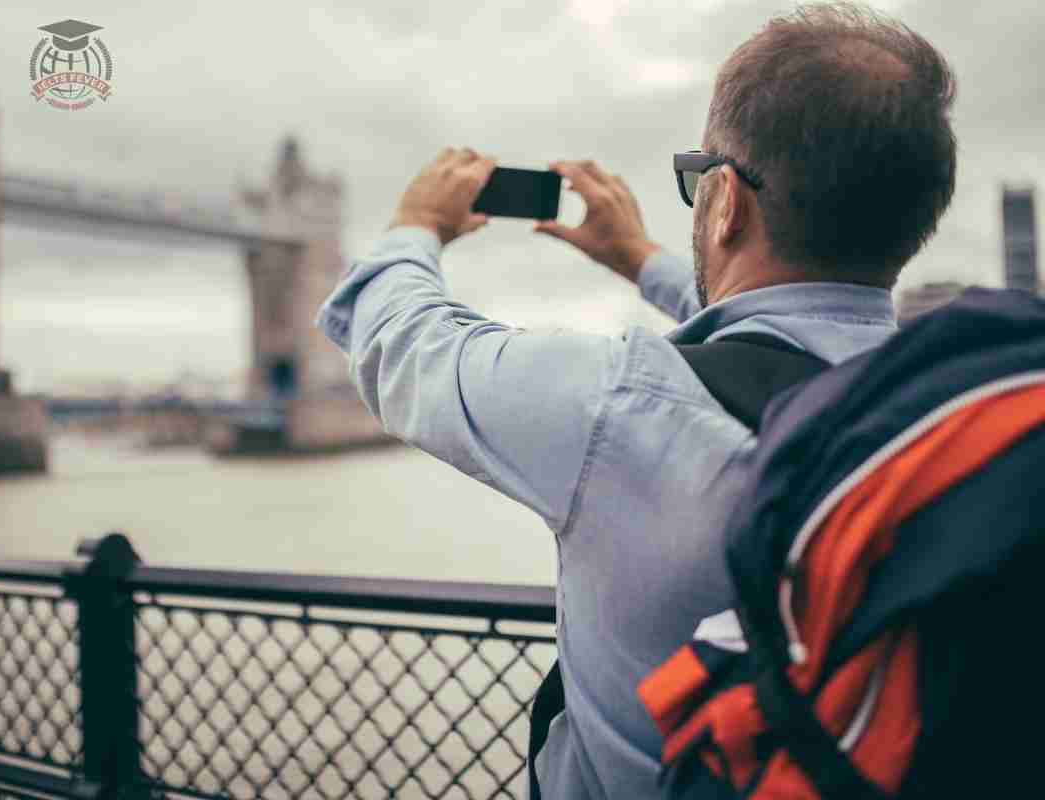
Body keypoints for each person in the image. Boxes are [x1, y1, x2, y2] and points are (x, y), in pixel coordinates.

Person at [313, 3, 956, 797]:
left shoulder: (615, 406)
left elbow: (408, 347)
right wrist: (641, 260)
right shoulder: (948, 406)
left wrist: (414, 226)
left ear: (725, 201)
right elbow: (791, 330)